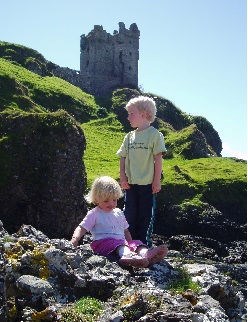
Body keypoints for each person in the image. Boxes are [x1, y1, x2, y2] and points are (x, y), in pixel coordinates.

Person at [70, 176, 168, 268]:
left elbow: (125, 231)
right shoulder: (94, 213)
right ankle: (128, 256)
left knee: (137, 243)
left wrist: (131, 243)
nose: (111, 204)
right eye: (106, 201)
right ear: (96, 199)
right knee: (120, 245)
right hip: (103, 244)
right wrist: (75, 239)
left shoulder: (118, 212)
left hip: (121, 243)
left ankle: (146, 254)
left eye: (114, 200)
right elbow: (82, 227)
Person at [116, 96, 166, 247]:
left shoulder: (155, 135)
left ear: (144, 114)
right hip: (130, 184)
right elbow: (123, 158)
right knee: (129, 214)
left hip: (148, 185)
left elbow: (158, 160)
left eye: (131, 113)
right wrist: (122, 177)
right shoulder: (129, 136)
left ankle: (144, 245)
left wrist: (157, 181)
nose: (128, 117)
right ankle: (129, 243)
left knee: (145, 215)